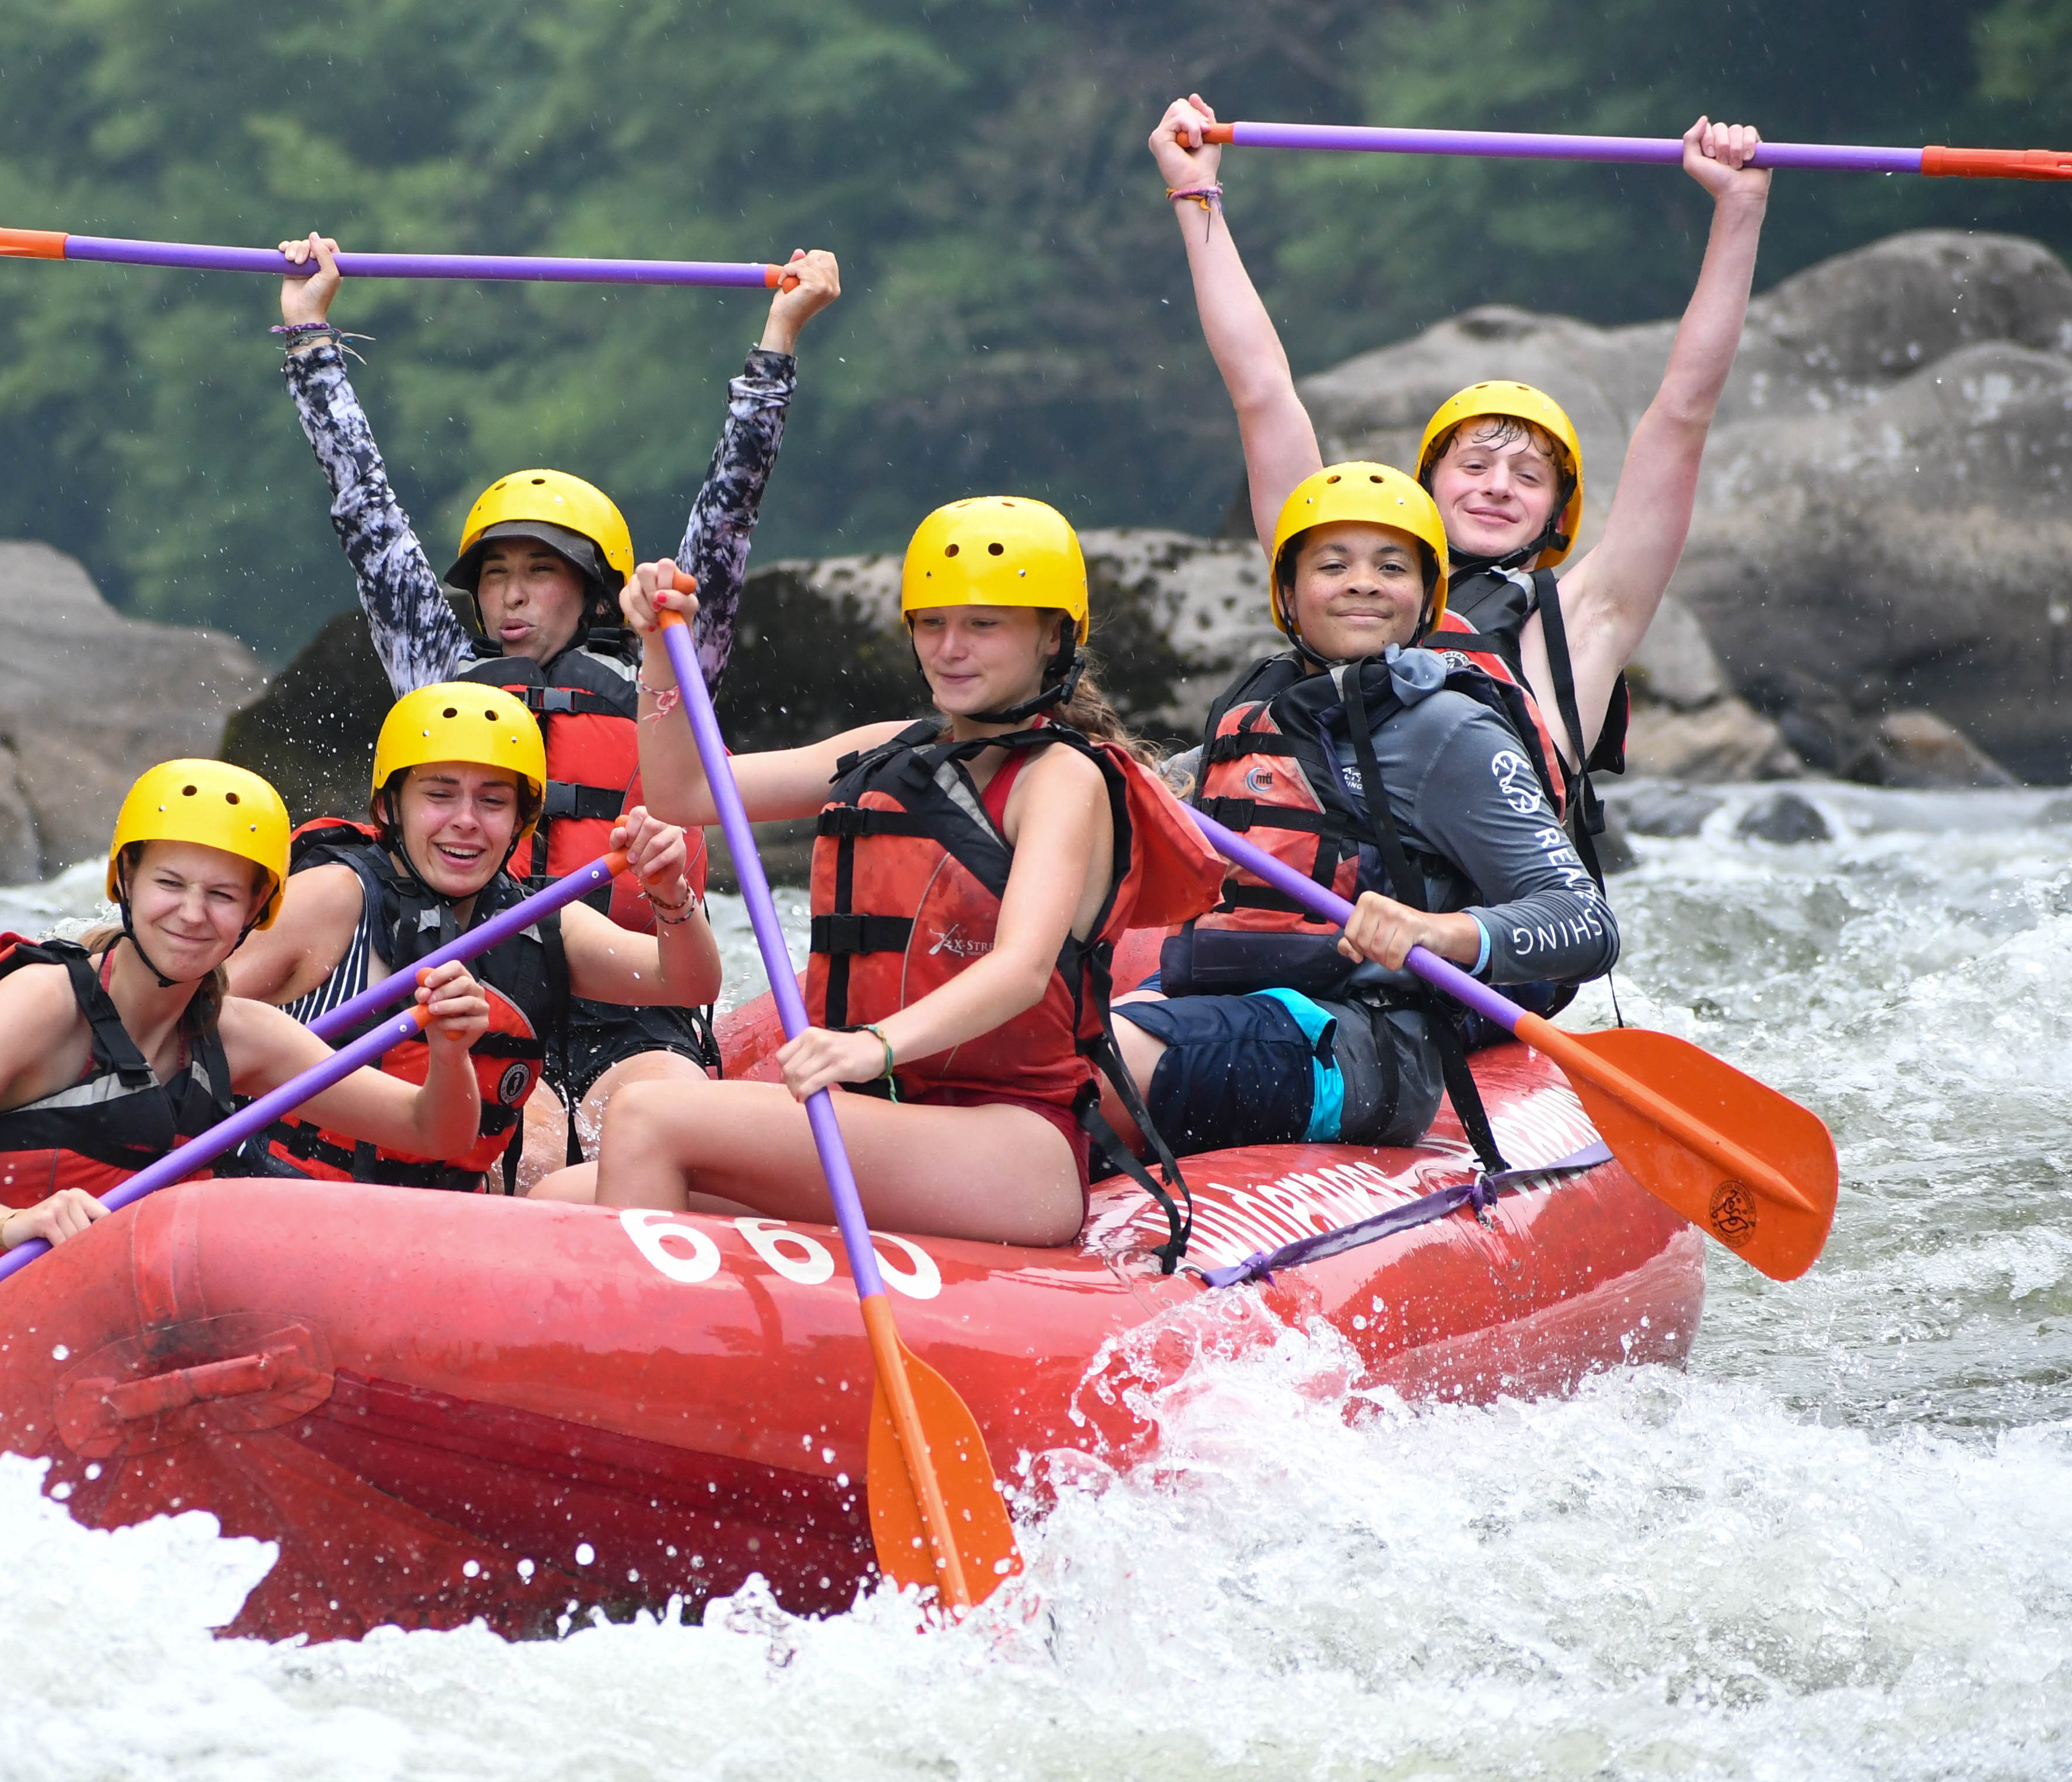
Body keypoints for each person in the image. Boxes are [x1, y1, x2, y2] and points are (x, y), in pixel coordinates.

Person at [271, 230, 840, 1172]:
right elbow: (365, 513)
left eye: (540, 573)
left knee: (660, 1124)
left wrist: (778, 340)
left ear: (591, 586)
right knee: (528, 1155)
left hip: (638, 1008)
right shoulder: (441, 676)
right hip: (491, 1000)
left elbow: (728, 511)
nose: (512, 596)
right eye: (495, 576)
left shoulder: (668, 665)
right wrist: (309, 340)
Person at [528, 499, 1227, 1251]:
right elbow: (686, 793)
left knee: (647, 1117)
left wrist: (874, 1045)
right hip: (888, 1124)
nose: (950, 648)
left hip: (1014, 1150)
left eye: (983, 624)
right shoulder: (890, 749)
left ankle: (649, 1358)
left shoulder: (1061, 778)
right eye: (932, 623)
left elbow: (1023, 970)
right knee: (559, 1196)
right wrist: (660, 654)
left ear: (1053, 636)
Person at [1149, 92, 1774, 871]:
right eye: (1474, 466)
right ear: (1428, 489)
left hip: (1464, 952)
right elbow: (1262, 392)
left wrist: (1740, 209)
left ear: (1558, 515)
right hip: (1306, 931)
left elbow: (1682, 414)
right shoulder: (1344, 567)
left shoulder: (1582, 621)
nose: (1497, 486)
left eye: (1529, 476)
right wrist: (1195, 192)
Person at [0, 759, 491, 1418]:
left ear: (255, 913)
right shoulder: (43, 1003)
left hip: (65, 1355)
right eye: (170, 885)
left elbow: (435, 1133)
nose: (191, 913)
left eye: (221, 896)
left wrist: (451, 1051)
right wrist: (10, 1223)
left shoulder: (240, 1036)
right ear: (126, 884)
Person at [1105, 463, 1620, 1166]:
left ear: (1426, 595)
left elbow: (1587, 925)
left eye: (1391, 565)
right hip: (1213, 1000)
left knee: (1080, 1070)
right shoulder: (1265, 709)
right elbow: (1139, 799)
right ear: (1287, 592)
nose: (1364, 582)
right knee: (1029, 1050)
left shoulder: (1449, 731)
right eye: (1333, 563)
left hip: (1361, 1040)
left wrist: (1437, 932)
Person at [224, 680, 721, 1191]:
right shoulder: (333, 897)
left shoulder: (538, 922)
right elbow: (192, 1020)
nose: (465, 821)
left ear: (519, 823)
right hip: (287, 1198)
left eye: (492, 801)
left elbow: (687, 985)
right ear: (389, 807)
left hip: (453, 1223)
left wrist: (668, 891)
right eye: (440, 795)